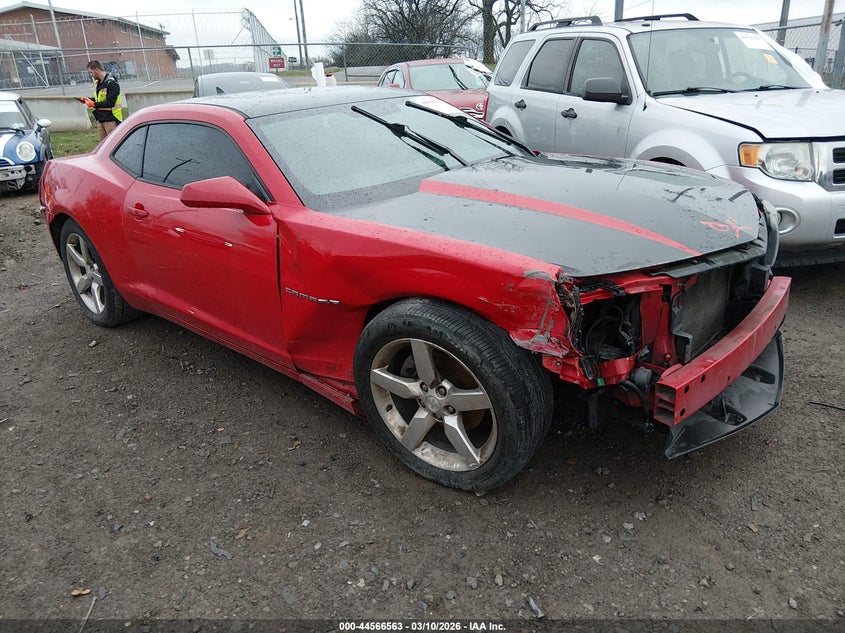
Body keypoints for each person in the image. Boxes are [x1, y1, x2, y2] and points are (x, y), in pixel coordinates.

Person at [82, 60, 124, 141]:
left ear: (97, 70)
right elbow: (99, 99)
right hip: (101, 119)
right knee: (103, 147)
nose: (91, 75)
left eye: (91, 72)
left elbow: (110, 102)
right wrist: (88, 100)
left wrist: (94, 104)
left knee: (113, 144)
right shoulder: (98, 82)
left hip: (111, 119)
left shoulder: (111, 83)